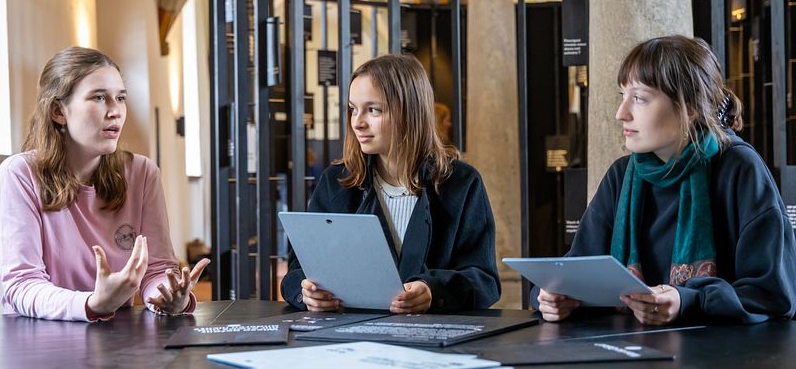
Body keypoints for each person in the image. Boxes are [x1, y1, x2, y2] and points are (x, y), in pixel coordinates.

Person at [533, 35, 796, 325]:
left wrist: (688, 300)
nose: (621, 114)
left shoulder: (739, 169)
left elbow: (772, 294)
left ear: (690, 107)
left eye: (639, 99)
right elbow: (577, 268)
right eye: (622, 96)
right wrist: (552, 297)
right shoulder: (621, 175)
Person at [0, 46, 209, 322]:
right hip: (38, 338)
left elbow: (156, 270)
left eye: (120, 98)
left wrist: (169, 297)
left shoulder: (143, 173)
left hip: (116, 340)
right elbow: (22, 285)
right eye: (99, 98)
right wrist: (93, 303)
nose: (115, 111)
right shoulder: (18, 175)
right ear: (59, 111)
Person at [281, 54, 501, 313]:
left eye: (373, 110)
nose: (357, 122)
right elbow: (298, 270)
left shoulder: (461, 183)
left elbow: (485, 281)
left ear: (409, 111)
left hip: (430, 341)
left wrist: (433, 291)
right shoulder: (337, 181)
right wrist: (305, 294)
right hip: (347, 339)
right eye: (353, 108)